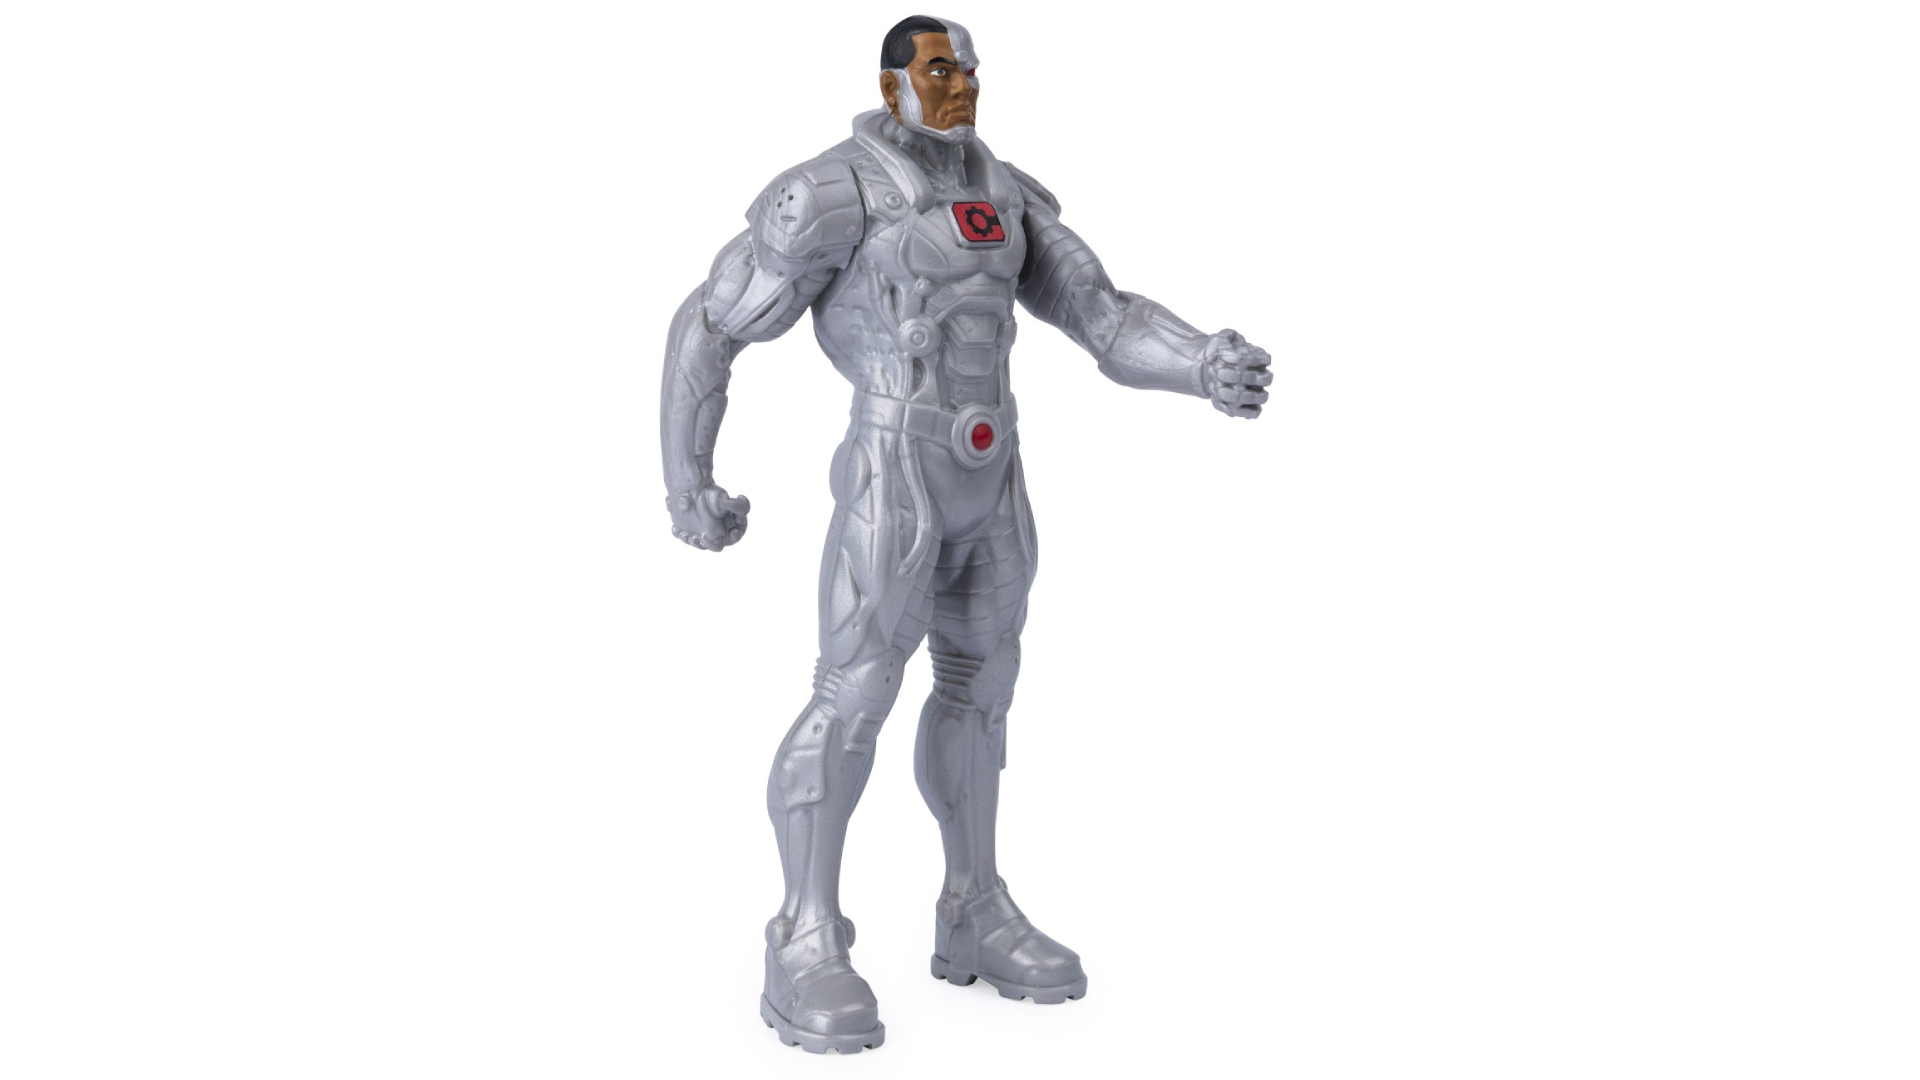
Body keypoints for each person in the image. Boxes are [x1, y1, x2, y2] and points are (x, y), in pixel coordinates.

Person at [659, 14, 1272, 1053]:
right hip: (894, 468)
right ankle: (803, 936)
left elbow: (1106, 318)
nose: (964, 86)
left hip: (992, 473)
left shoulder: (1006, 193)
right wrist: (689, 483)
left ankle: (973, 908)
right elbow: (710, 323)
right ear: (892, 83)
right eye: (942, 69)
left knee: (982, 694)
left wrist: (1202, 362)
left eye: (972, 69)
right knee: (852, 695)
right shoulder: (832, 193)